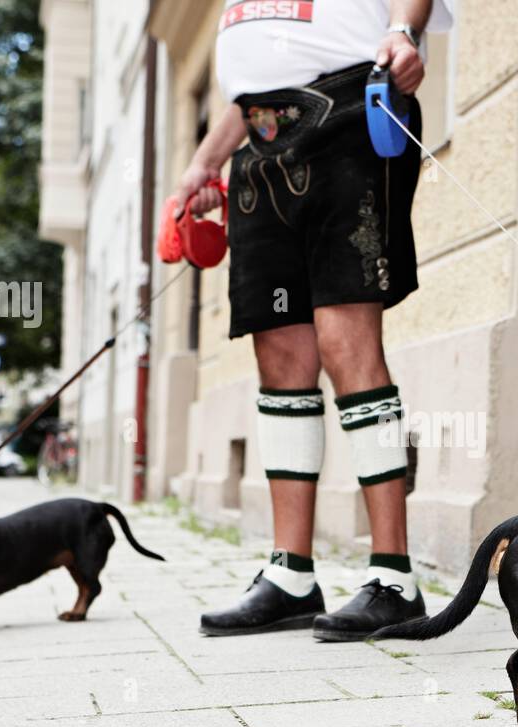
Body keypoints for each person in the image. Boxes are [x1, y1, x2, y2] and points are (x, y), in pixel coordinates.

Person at [170, 0, 454, 641]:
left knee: (344, 341)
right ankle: (291, 575)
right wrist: (203, 164)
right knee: (281, 355)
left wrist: (402, 33)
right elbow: (248, 92)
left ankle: (394, 578)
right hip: (261, 142)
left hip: (352, 116)